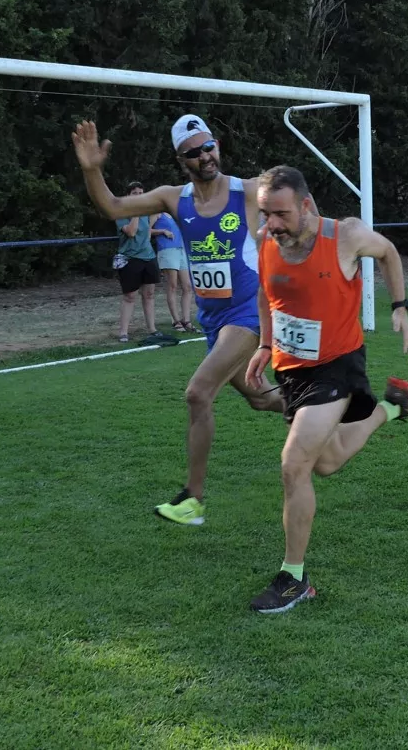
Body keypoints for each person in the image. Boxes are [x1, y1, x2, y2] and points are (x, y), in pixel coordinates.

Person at [73, 115, 284, 525]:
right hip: (213, 319)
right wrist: (91, 170)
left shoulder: (248, 190)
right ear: (180, 158)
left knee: (198, 393)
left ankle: (193, 499)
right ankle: (330, 407)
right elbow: (111, 206)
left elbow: (298, 205)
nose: (205, 155)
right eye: (194, 151)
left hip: (250, 314)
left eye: (209, 146)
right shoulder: (174, 198)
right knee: (261, 399)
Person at [243, 165, 408, 614]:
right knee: (325, 462)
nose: (272, 224)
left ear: (306, 205)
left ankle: (294, 578)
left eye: (282, 214)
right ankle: (394, 406)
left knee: (293, 465)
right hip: (294, 369)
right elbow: (269, 297)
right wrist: (266, 344)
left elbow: (388, 252)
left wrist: (400, 308)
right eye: (266, 213)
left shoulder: (344, 236)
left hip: (338, 366)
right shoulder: (268, 240)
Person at [113, 181, 170, 345]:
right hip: (130, 258)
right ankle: (123, 332)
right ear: (128, 196)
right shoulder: (121, 213)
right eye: (135, 193)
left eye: (141, 193)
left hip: (148, 257)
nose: (138, 196)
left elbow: (147, 231)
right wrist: (136, 212)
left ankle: (152, 328)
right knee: (130, 296)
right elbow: (131, 232)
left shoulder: (147, 212)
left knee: (149, 294)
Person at [151, 205, 196, 333]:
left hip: (181, 251)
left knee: (187, 286)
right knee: (172, 285)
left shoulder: (173, 216)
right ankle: (176, 320)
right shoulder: (157, 213)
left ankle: (186, 320)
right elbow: (146, 230)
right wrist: (162, 231)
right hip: (167, 250)